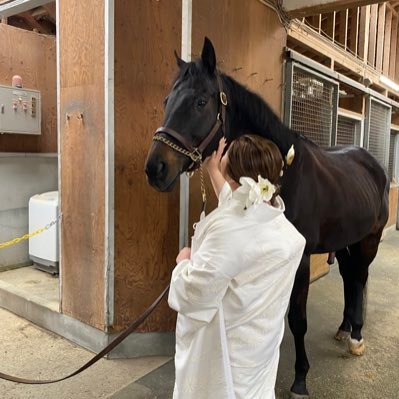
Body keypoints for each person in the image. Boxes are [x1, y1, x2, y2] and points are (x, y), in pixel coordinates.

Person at [168, 134, 306, 399]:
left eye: (229, 154)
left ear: (237, 176)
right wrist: (212, 167)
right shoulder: (281, 227)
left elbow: (191, 295)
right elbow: (238, 207)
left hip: (225, 360)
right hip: (256, 356)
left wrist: (183, 261)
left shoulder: (229, 231)